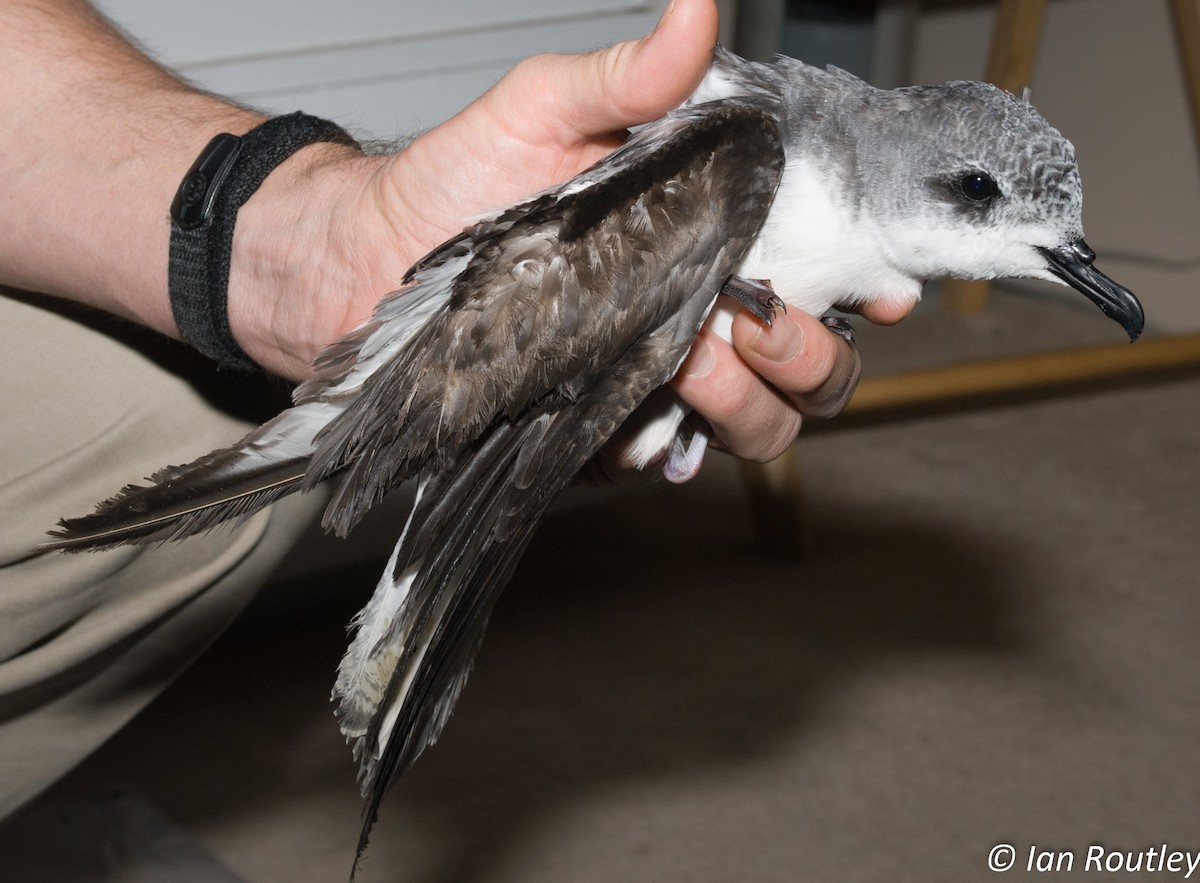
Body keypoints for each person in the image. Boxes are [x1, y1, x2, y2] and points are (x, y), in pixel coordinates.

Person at [0, 0, 909, 827]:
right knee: (279, 441)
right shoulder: (750, 148)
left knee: (214, 418)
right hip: (512, 303)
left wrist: (309, 235)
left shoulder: (822, 219)